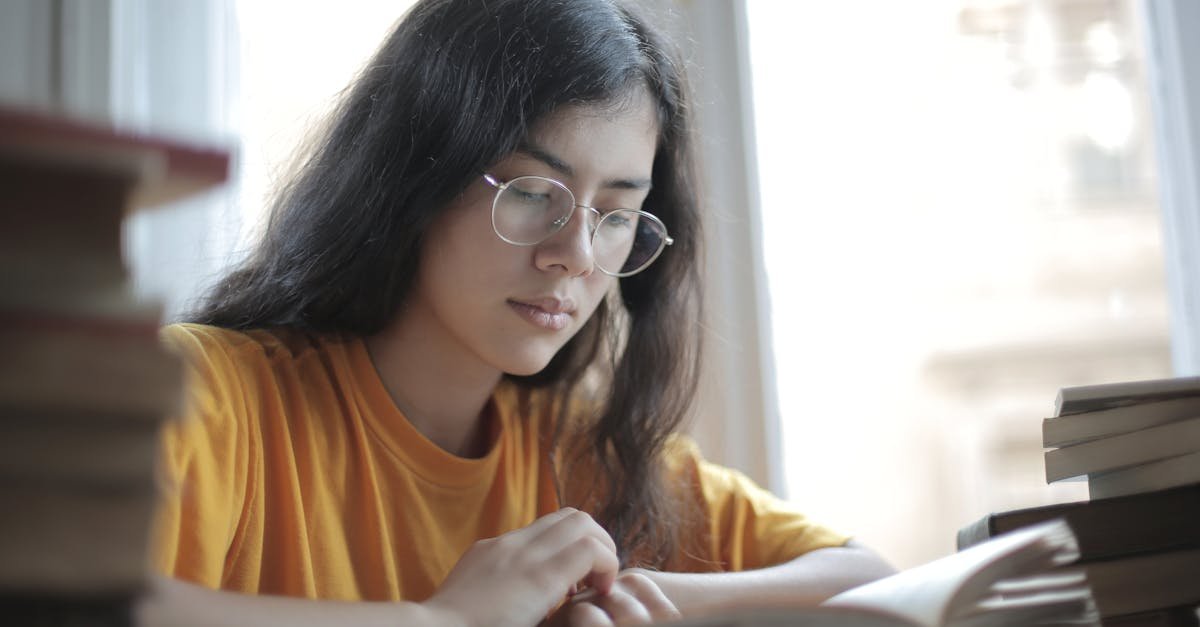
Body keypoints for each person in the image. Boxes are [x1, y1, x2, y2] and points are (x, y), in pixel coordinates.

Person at [139, 0, 895, 625]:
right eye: (534, 192)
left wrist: (648, 598)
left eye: (617, 214)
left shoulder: (588, 452)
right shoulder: (205, 392)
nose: (575, 253)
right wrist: (444, 621)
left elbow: (872, 579)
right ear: (415, 174)